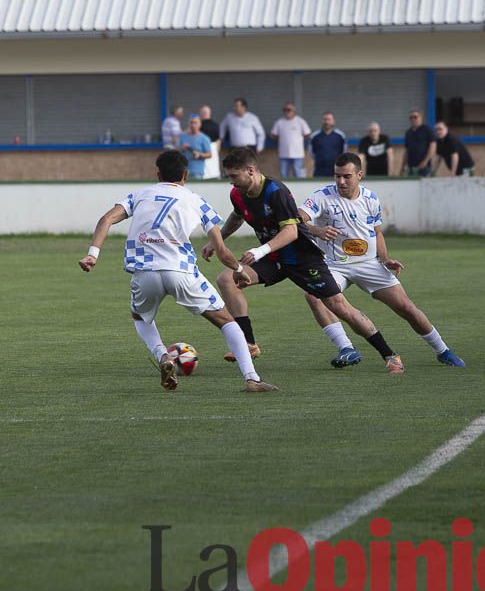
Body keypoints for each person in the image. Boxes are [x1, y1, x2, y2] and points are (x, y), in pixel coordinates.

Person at [78, 149, 277, 393]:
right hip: (181, 271)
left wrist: (93, 254)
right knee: (227, 322)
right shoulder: (195, 200)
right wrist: (237, 268)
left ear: (157, 173)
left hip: (145, 272)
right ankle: (251, 379)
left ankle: (162, 355)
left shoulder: (140, 195)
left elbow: (106, 219)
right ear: (185, 174)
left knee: (141, 318)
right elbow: (222, 251)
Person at [201, 146, 402, 371]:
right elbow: (238, 216)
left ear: (250, 170)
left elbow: (292, 232)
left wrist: (259, 252)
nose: (231, 182)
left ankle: (389, 355)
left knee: (339, 307)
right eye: (228, 177)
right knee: (227, 279)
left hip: (302, 258)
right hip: (274, 257)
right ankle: (249, 344)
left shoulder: (276, 192)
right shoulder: (237, 194)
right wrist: (216, 240)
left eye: (234, 176)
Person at [298, 153, 466, 373]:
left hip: (368, 263)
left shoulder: (371, 199)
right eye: (337, 176)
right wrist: (317, 230)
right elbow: (296, 219)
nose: (341, 182)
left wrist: (385, 259)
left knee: (407, 308)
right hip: (333, 264)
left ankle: (443, 350)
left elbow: (377, 232)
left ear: (360, 175)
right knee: (313, 296)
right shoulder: (321, 196)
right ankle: (345, 348)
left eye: (347, 176)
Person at [270, 102, 312, 179]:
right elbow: (273, 135)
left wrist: (298, 140)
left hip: (298, 155)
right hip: (283, 154)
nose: (286, 112)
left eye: (289, 110)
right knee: (284, 176)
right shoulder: (279, 122)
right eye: (284, 110)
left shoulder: (300, 121)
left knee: (299, 175)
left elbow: (308, 134)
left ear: (294, 110)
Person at [309, 112, 348, 178]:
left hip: (336, 170)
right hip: (319, 170)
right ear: (322, 121)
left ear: (333, 121)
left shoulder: (340, 136)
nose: (327, 122)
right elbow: (311, 153)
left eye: (329, 119)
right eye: (325, 119)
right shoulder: (314, 136)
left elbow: (344, 152)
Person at [177, 115, 213, 181]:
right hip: (182, 172)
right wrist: (181, 147)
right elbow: (175, 152)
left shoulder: (204, 138)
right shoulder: (182, 136)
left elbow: (209, 154)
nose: (193, 125)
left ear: (200, 124)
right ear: (188, 124)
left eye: (195, 123)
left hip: (197, 172)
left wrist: (199, 155)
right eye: (191, 122)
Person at [404, 110, 436, 176]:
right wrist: (403, 166)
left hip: (424, 167)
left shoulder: (427, 130)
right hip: (411, 167)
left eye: (415, 117)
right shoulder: (408, 132)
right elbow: (407, 150)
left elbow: (433, 147)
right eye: (411, 117)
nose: (413, 119)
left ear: (421, 118)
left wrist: (425, 162)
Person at [198, 105, 221, 179]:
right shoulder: (216, 125)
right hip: (211, 150)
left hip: (208, 150)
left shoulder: (198, 126)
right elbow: (219, 139)